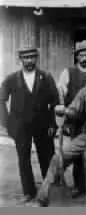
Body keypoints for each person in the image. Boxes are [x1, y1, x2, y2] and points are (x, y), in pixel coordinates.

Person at [36, 60, 86, 206]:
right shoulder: (85, 92)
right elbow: (74, 110)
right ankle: (44, 196)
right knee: (59, 157)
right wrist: (64, 110)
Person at [0, 47, 59, 204]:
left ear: (36, 58)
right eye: (26, 58)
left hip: (43, 124)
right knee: (23, 159)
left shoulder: (45, 77)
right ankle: (29, 192)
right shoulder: (12, 79)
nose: (29, 61)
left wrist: (53, 123)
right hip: (20, 126)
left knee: (46, 157)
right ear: (20, 59)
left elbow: (55, 101)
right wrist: (6, 123)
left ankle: (49, 190)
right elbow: (1, 99)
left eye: (32, 57)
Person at [55, 40, 86, 195]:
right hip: (75, 119)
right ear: (77, 57)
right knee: (77, 155)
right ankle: (79, 186)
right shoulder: (68, 72)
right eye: (81, 55)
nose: (84, 57)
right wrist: (63, 113)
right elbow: (61, 93)